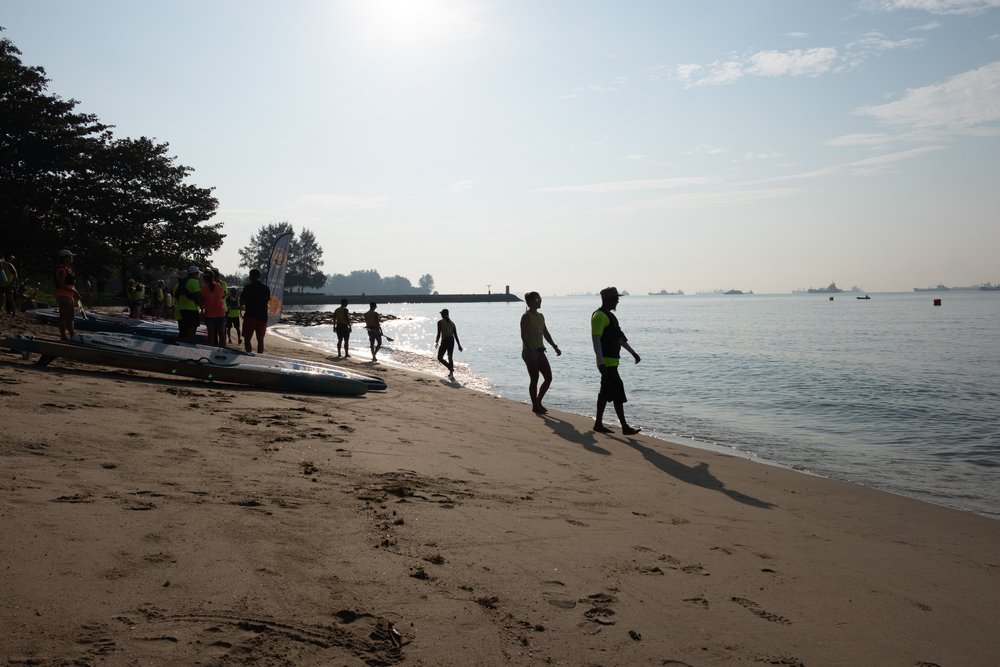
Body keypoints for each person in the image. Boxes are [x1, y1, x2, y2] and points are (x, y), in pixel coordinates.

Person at [591, 286, 641, 435]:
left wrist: (633, 353)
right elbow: (596, 340)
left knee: (605, 392)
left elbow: (619, 339)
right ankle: (624, 427)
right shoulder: (599, 316)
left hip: (612, 361)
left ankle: (599, 424)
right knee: (617, 392)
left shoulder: (610, 317)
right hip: (606, 362)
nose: (618, 301)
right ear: (607, 300)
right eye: (615, 298)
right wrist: (601, 362)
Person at [520, 292, 561, 413]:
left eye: (540, 298)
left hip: (540, 351)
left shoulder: (541, 316)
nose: (540, 301)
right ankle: (535, 405)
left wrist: (555, 347)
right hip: (529, 352)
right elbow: (523, 336)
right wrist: (530, 350)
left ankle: (538, 402)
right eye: (537, 299)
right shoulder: (526, 317)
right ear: (531, 302)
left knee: (548, 378)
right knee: (535, 378)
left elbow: (546, 333)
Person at [240, 268, 271, 353]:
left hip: (250, 316)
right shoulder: (266, 288)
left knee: (247, 339)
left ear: (250, 276)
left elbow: (242, 301)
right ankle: (259, 357)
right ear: (259, 277)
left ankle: (249, 355)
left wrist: (241, 311)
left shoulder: (248, 287)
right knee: (260, 340)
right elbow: (268, 301)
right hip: (262, 317)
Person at [54, 249, 80, 339]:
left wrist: (74, 292)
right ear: (65, 258)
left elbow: (71, 284)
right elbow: (62, 285)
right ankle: (63, 336)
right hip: (64, 296)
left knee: (71, 317)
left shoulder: (68, 269)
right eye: (70, 257)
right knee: (63, 317)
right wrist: (74, 291)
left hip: (69, 296)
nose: (71, 258)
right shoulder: (61, 270)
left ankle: (72, 335)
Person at [175, 266, 203, 342]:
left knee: (184, 330)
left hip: (181, 310)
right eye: (197, 274)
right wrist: (202, 308)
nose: (198, 276)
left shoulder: (181, 283)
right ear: (194, 274)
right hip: (191, 309)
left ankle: (183, 344)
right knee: (192, 330)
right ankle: (189, 344)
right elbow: (198, 296)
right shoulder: (194, 282)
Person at [200, 269, 227, 346]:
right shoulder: (218, 286)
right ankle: (223, 350)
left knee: (211, 336)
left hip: (209, 315)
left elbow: (202, 302)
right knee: (222, 335)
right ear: (213, 278)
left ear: (204, 279)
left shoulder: (203, 289)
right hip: (220, 314)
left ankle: (211, 349)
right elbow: (223, 296)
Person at [435, 308, 463, 378]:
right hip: (451, 341)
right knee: (450, 357)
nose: (441, 315)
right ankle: (451, 373)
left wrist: (436, 342)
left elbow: (439, 333)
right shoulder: (452, 323)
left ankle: (450, 368)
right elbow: (455, 335)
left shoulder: (440, 322)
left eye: (441, 314)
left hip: (445, 340)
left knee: (439, 357)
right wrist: (459, 345)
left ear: (443, 314)